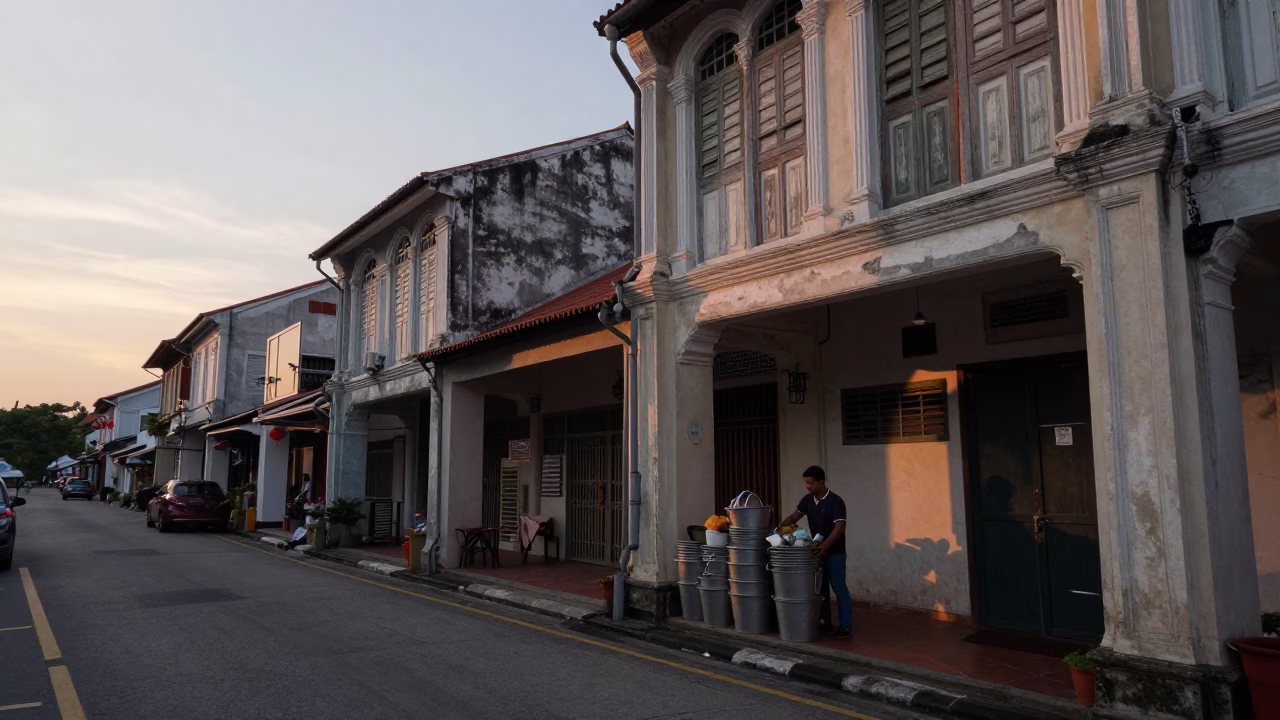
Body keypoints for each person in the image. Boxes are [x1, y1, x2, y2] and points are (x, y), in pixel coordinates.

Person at [779, 465, 853, 639]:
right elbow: (794, 517)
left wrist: (826, 545)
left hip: (834, 552)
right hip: (816, 552)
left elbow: (839, 528)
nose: (808, 486)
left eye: (811, 483)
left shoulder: (835, 501)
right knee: (819, 589)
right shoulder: (808, 500)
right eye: (806, 483)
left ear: (821, 481)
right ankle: (824, 621)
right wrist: (778, 531)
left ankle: (845, 626)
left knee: (839, 588)